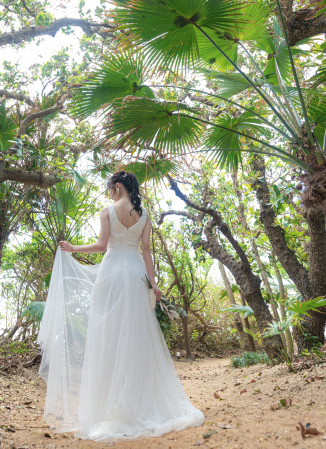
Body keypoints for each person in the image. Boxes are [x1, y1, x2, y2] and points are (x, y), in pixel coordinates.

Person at [37, 171, 204, 442]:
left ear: (117, 187)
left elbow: (102, 246)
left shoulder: (107, 211)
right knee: (136, 335)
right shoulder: (144, 215)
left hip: (111, 273)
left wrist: (73, 248)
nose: (110, 194)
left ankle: (109, 405)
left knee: (109, 335)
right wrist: (153, 284)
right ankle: (137, 400)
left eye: (110, 189)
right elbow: (146, 250)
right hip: (135, 273)